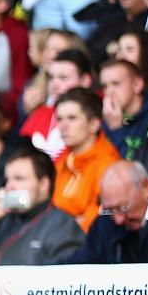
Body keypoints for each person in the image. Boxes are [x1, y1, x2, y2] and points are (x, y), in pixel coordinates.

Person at [0, 147, 84, 266]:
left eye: (19, 179)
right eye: (7, 180)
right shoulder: (0, 220)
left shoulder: (61, 225)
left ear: (43, 185)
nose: (9, 186)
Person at [51, 88, 121, 232]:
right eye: (60, 119)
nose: (63, 126)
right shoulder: (62, 161)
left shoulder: (108, 165)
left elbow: (95, 224)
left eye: (72, 118)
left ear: (94, 124)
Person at [65, 161, 148, 263]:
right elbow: (79, 263)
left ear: (145, 188)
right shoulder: (104, 223)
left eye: (122, 208)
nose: (118, 220)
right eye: (110, 210)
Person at [100, 59, 148, 161]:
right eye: (105, 86)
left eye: (116, 83)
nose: (109, 92)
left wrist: (116, 130)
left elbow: (138, 169)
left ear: (137, 84)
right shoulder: (107, 118)